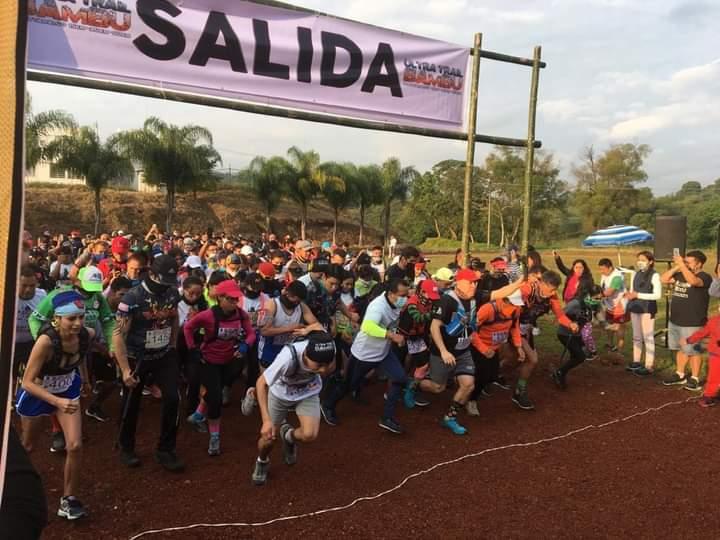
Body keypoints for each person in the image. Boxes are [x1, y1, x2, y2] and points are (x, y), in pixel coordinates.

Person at [16, 290, 94, 520]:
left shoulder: (86, 335)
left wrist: (86, 380)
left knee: (75, 445)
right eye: (71, 318)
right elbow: (28, 382)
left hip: (67, 390)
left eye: (81, 316)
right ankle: (16, 487)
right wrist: (56, 401)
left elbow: (80, 360)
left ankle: (69, 499)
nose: (78, 323)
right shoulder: (46, 342)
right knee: (28, 445)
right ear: (57, 318)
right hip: (38, 393)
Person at [112, 255, 185, 472]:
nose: (166, 286)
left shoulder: (172, 292)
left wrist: (172, 344)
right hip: (137, 357)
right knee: (131, 404)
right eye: (163, 280)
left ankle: (166, 449)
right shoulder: (132, 298)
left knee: (173, 399)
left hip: (164, 355)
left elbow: (174, 318)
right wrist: (125, 369)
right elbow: (118, 334)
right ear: (152, 274)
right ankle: (126, 447)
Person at [321, 279, 409, 434]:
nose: (405, 298)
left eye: (406, 294)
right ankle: (327, 405)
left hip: (383, 352)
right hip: (365, 354)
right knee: (349, 385)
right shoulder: (378, 306)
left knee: (400, 378)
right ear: (390, 294)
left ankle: (387, 418)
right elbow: (367, 326)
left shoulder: (396, 303)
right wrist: (392, 336)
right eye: (402, 295)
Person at [251, 331, 337, 486]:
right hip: (280, 394)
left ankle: (288, 436)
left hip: (308, 392)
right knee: (268, 438)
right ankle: (262, 460)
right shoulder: (287, 358)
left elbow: (319, 330)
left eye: (327, 364)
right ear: (306, 355)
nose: (323, 370)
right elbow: (261, 383)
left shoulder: (328, 349)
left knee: (309, 435)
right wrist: (266, 420)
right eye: (319, 365)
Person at [184, 280, 256, 455]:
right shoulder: (208, 315)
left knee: (217, 391)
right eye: (231, 299)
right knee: (216, 398)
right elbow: (188, 327)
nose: (234, 302)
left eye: (236, 299)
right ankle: (215, 437)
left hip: (230, 360)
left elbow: (251, 333)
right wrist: (192, 349)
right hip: (208, 361)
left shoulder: (241, 315)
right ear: (220, 298)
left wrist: (245, 345)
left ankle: (199, 414)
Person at [413, 269, 479, 435]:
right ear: (459, 283)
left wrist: (520, 281)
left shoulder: (474, 298)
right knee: (437, 388)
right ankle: (413, 384)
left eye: (475, 282)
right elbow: (434, 327)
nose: (474, 285)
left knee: (468, 384)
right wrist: (443, 351)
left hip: (463, 351)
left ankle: (450, 418)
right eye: (471, 282)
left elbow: (498, 293)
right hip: (443, 352)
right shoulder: (447, 301)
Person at [661, 250, 712, 390]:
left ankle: (695, 378)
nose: (686, 264)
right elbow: (663, 279)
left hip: (693, 322)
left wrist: (682, 267)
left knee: (694, 351)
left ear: (699, 263)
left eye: (689, 262)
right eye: (686, 261)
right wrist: (678, 266)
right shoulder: (681, 273)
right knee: (681, 348)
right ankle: (680, 374)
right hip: (676, 320)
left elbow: (693, 281)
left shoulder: (705, 277)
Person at [258, 280, 323, 368]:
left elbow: (316, 325)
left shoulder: (302, 306)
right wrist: (290, 328)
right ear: (287, 294)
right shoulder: (272, 304)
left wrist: (306, 329)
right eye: (294, 301)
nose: (296, 304)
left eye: (298, 301)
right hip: (270, 349)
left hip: (289, 349)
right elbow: (264, 331)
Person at [400, 279, 441, 409]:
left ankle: (407, 388)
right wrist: (435, 314)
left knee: (415, 364)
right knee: (421, 365)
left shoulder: (427, 302)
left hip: (417, 336)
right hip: (406, 337)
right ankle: (408, 391)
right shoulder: (412, 303)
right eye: (430, 295)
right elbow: (417, 317)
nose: (432, 299)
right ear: (422, 292)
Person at [551, 286, 602, 389]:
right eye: (597, 298)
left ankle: (561, 371)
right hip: (565, 334)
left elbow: (595, 319)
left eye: (601, 298)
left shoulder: (591, 305)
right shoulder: (575, 304)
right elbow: (560, 315)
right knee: (580, 357)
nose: (599, 301)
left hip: (577, 335)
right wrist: (570, 323)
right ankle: (560, 372)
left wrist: (606, 325)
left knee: (579, 355)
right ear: (588, 296)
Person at [624, 251, 662, 376]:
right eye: (638, 259)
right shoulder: (636, 274)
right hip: (636, 307)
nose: (640, 262)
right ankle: (636, 361)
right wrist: (629, 296)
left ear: (650, 261)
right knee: (636, 336)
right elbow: (633, 290)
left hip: (647, 309)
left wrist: (638, 295)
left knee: (648, 337)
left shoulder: (655, 275)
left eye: (643, 259)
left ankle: (649, 365)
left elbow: (657, 295)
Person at [682, 305, 720, 407]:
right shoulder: (713, 321)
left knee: (714, 377)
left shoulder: (713, 321)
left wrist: (688, 340)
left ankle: (709, 395)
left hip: (715, 354)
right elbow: (702, 333)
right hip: (716, 355)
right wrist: (688, 340)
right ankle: (708, 396)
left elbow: (702, 333)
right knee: (714, 377)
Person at [597, 258, 627, 354]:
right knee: (609, 324)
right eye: (600, 269)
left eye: (603, 269)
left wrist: (597, 297)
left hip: (619, 304)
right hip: (609, 303)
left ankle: (620, 348)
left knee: (619, 327)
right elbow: (603, 287)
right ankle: (610, 344)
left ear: (610, 268)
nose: (601, 271)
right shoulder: (604, 274)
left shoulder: (617, 277)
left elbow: (610, 291)